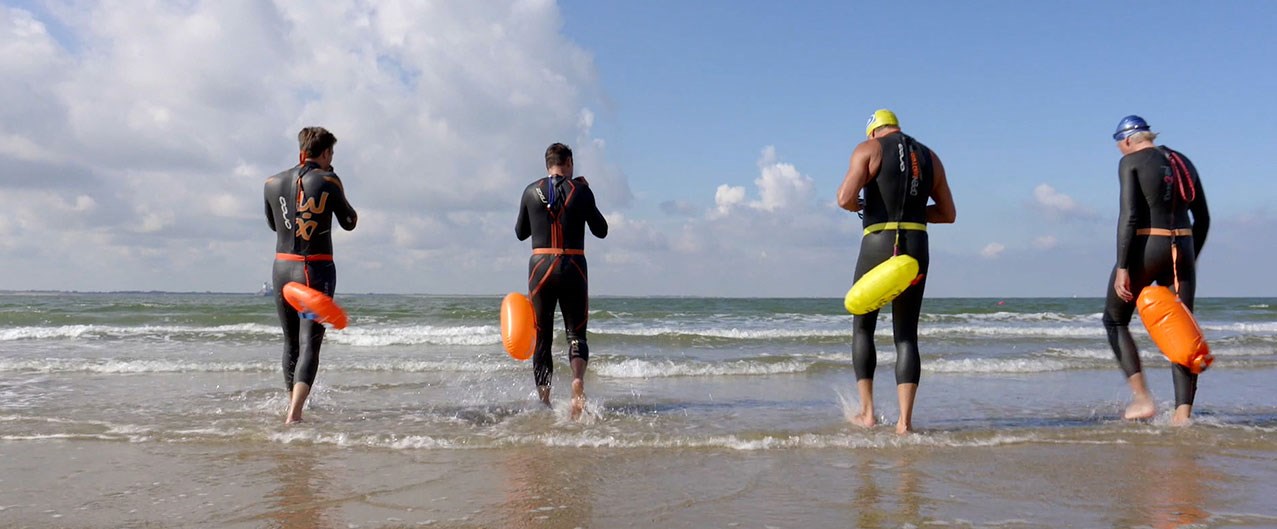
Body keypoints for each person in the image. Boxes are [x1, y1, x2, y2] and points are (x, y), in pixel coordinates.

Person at [836, 109, 956, 434]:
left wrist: (855, 207)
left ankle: (868, 413)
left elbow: (844, 197)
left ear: (873, 131)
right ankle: (905, 423)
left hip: (879, 242)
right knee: (906, 335)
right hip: (916, 246)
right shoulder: (930, 157)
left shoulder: (868, 149)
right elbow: (948, 214)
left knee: (863, 327)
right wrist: (914, 212)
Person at [1102, 115, 1209, 426]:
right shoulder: (1182, 161)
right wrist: (1189, 259)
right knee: (1181, 330)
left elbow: (1129, 216)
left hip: (1148, 246)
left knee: (1114, 319)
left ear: (1126, 141)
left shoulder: (1131, 161)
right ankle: (1182, 415)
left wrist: (1123, 267)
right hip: (1183, 247)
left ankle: (1142, 398)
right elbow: (1203, 218)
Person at [263, 127, 358, 424]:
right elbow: (350, 221)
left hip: (281, 269)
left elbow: (273, 224)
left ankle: (292, 403)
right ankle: (295, 413)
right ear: (326, 153)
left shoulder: (271, 182)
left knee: (290, 342)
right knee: (309, 344)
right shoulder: (328, 180)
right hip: (314, 268)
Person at [515, 143, 608, 419]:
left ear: (547, 164)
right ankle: (577, 381)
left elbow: (521, 232)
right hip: (573, 266)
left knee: (542, 337)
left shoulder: (531, 190)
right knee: (577, 335)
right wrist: (584, 195)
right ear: (568, 162)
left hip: (540, 267)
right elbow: (601, 230)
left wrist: (542, 210)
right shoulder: (581, 190)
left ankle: (544, 401)